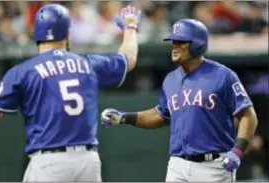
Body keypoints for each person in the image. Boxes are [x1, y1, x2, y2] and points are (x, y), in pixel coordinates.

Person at [0, 3, 141, 182]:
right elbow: (129, 59)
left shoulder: (23, 71)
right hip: (88, 162)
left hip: (49, 162)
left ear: (36, 34)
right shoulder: (88, 64)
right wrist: (131, 27)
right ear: (67, 34)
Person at [101, 18, 258, 182]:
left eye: (180, 42)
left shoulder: (223, 75)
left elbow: (248, 115)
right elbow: (161, 115)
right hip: (178, 165)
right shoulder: (171, 80)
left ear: (197, 44)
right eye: (173, 42)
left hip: (213, 166)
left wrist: (238, 151)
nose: (174, 46)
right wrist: (124, 117)